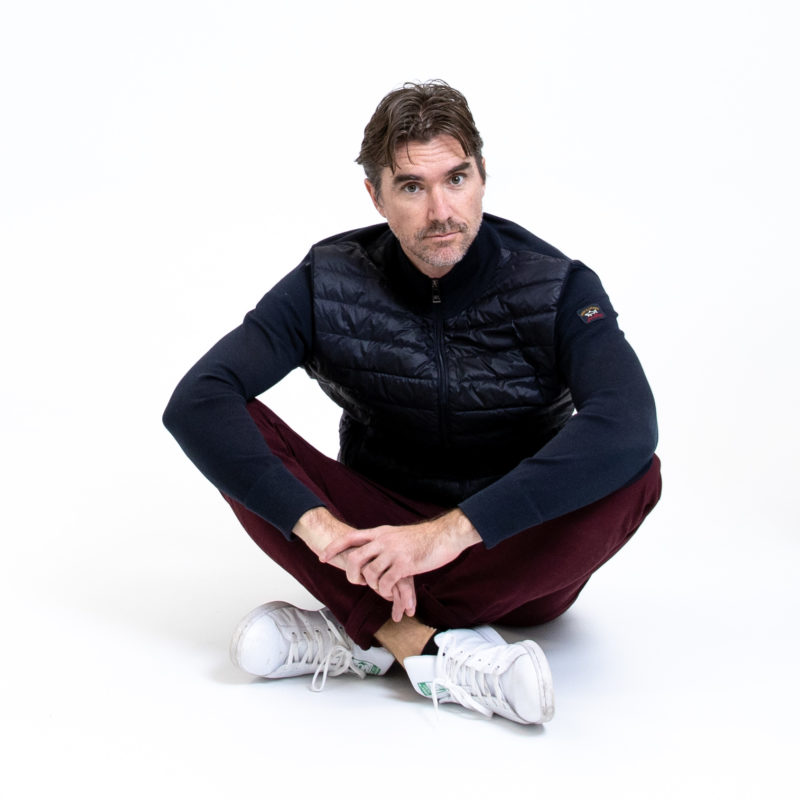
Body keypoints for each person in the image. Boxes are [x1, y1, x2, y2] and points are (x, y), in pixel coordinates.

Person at [163, 80, 661, 725]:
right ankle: (427, 650)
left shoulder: (558, 285)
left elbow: (628, 423)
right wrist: (329, 536)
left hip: (510, 549)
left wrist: (443, 537)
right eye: (411, 187)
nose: (441, 211)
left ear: (482, 176)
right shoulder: (329, 279)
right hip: (373, 538)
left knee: (636, 472)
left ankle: (361, 628)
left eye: (457, 179)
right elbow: (197, 400)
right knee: (233, 427)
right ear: (375, 196)